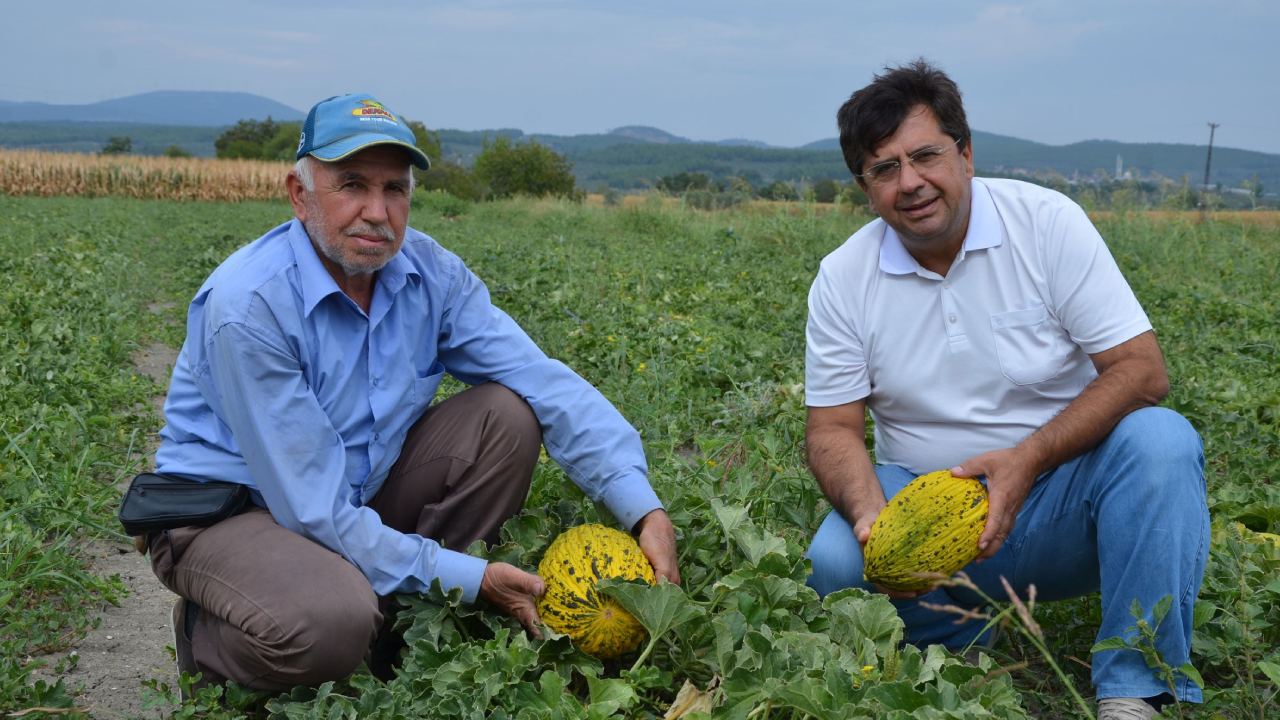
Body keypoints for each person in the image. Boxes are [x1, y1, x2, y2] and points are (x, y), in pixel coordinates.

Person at [145, 93, 679, 692]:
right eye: (351, 184)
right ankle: (212, 636)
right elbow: (311, 507)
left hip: (355, 491)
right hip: (233, 513)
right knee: (330, 620)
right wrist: (470, 577)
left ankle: (403, 628)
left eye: (394, 189)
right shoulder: (249, 307)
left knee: (506, 416)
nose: (377, 211)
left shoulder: (431, 275)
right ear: (300, 195)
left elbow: (538, 377)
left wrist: (643, 507)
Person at [802, 61, 1208, 719]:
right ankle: (965, 642)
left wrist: (1030, 458)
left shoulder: (1045, 224)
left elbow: (1142, 371)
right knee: (834, 563)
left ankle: (1135, 688)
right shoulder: (844, 276)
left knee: (1162, 441)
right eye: (884, 169)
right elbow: (832, 430)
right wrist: (871, 515)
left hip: (1063, 502)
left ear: (965, 154)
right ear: (863, 186)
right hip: (926, 507)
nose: (910, 183)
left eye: (926, 156)